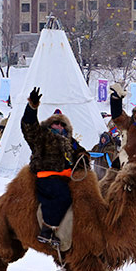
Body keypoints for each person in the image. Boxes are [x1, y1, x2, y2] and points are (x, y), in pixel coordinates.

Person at [22, 87, 88, 247]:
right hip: (48, 177)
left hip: (68, 178)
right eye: (55, 123)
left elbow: (83, 153)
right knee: (63, 196)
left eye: (61, 124)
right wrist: (31, 108)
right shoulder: (42, 136)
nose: (59, 126)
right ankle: (47, 230)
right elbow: (29, 127)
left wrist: (82, 157)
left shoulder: (71, 142)